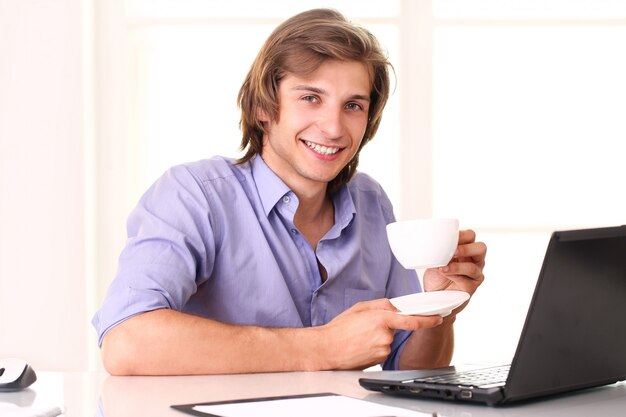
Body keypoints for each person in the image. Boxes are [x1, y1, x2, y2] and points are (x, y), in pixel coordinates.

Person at [92, 8, 487, 375]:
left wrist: (441, 310)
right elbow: (126, 341)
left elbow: (410, 369)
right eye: (311, 98)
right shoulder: (194, 195)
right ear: (264, 107)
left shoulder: (371, 202)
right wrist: (321, 347)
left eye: (353, 105)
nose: (333, 127)